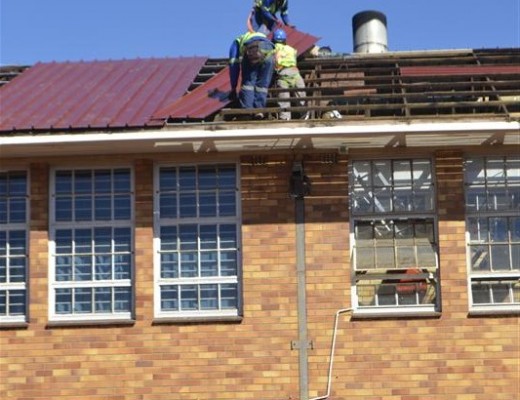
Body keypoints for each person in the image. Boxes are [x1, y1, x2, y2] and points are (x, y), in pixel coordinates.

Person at [228, 31, 275, 119]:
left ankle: (247, 111)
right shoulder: (258, 35)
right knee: (262, 85)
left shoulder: (236, 43)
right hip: (270, 49)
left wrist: (233, 87)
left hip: (254, 47)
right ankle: (259, 111)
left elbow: (234, 65)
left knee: (248, 83)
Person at [272, 29, 308, 120]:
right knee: (301, 96)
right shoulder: (291, 49)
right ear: (285, 39)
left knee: (284, 99)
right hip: (295, 73)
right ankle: (304, 115)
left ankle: (285, 118)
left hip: (282, 74)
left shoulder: (273, 49)